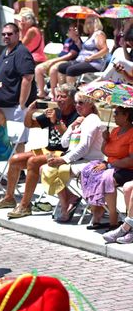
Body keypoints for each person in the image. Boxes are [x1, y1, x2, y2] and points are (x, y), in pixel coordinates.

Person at [0, 84, 79, 219]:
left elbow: (68, 138)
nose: (59, 99)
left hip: (65, 154)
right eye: (57, 96)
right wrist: (30, 112)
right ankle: (9, 198)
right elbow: (29, 124)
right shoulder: (55, 110)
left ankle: (25, 206)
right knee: (15, 160)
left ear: (72, 99)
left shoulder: (75, 114)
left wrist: (55, 122)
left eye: (63, 97)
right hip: (50, 150)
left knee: (33, 162)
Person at [40, 94, 104, 223]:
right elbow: (64, 143)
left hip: (89, 161)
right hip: (76, 159)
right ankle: (68, 199)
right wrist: (72, 126)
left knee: (48, 169)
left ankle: (67, 203)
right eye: (76, 103)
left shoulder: (92, 120)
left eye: (80, 103)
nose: (77, 106)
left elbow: (84, 147)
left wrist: (64, 160)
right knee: (44, 168)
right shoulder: (82, 120)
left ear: (90, 104)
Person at [80, 105, 133, 230]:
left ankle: (113, 220)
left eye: (117, 113)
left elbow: (131, 160)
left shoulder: (132, 133)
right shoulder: (115, 131)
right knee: (89, 173)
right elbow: (106, 151)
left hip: (127, 169)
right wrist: (105, 140)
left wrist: (109, 165)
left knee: (106, 179)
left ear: (126, 116)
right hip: (111, 165)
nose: (114, 115)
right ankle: (97, 215)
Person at [0, 22, 37, 152]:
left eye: (10, 34)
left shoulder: (22, 52)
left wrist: (21, 105)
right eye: (4, 34)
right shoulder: (6, 51)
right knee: (6, 140)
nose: (6, 36)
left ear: (18, 35)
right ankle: (14, 169)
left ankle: (20, 170)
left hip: (15, 107)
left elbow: (27, 78)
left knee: (18, 142)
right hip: (2, 106)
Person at [57, 16, 108, 86]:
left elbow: (105, 49)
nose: (88, 25)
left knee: (71, 70)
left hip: (94, 63)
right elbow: (86, 50)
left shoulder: (98, 34)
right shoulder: (90, 35)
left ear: (96, 23)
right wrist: (78, 43)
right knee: (61, 67)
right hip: (82, 60)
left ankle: (71, 92)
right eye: (86, 23)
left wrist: (92, 57)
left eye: (90, 22)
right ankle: (62, 91)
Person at [35, 25, 81, 99]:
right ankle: (41, 92)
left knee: (53, 69)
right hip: (59, 59)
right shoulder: (68, 40)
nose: (68, 31)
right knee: (38, 68)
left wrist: (53, 61)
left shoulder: (77, 42)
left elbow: (70, 56)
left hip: (67, 61)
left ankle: (53, 93)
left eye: (70, 29)